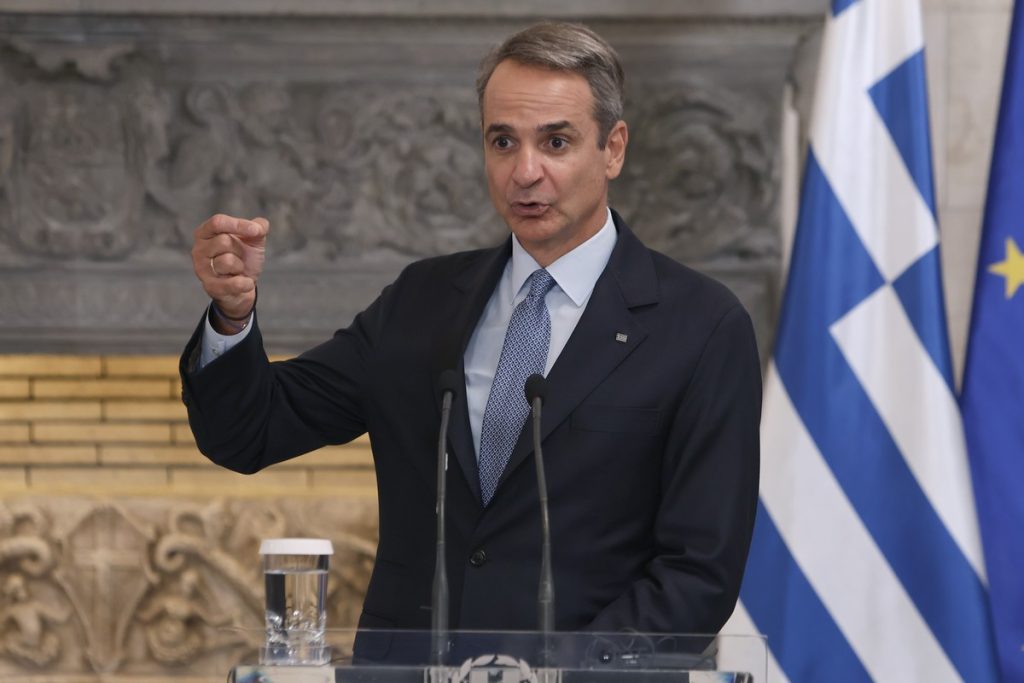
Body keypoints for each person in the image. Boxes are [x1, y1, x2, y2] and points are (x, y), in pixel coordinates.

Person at [180, 22, 761, 639]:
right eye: (503, 141)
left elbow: (697, 575)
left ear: (612, 148)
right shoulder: (422, 300)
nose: (525, 172)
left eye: (556, 142)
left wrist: (558, 674)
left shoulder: (700, 326)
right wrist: (232, 317)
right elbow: (248, 432)